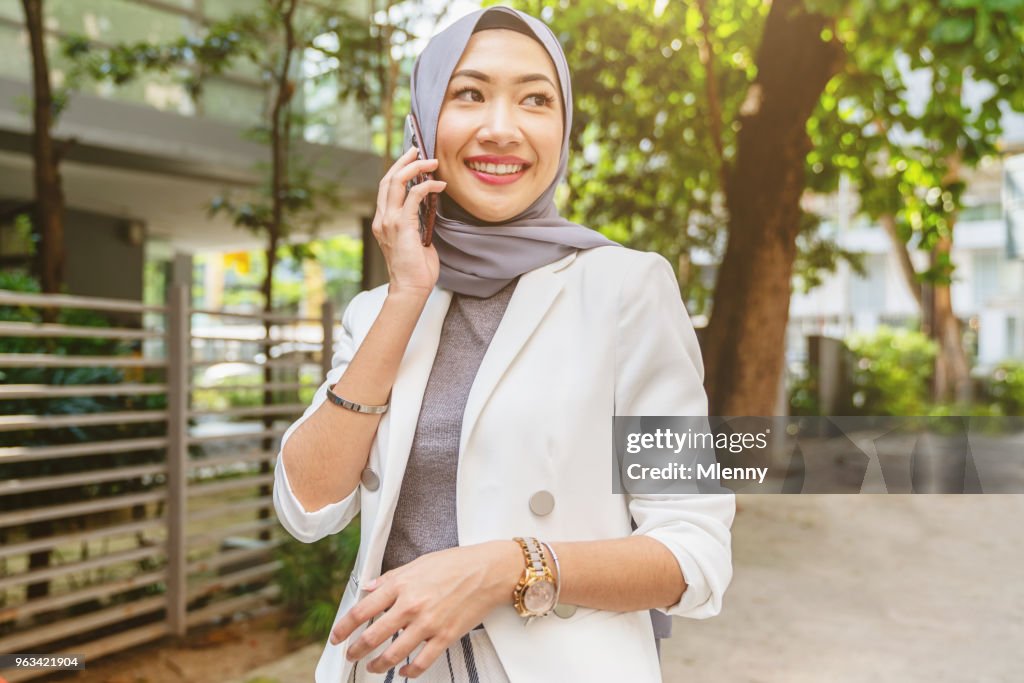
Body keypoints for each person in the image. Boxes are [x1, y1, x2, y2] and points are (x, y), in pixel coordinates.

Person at [272, 6, 734, 682]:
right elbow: (307, 505)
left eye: (535, 99)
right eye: (469, 93)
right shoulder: (379, 309)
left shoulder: (627, 288)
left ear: (563, 127)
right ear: (426, 122)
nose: (500, 127)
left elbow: (693, 553)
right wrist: (405, 296)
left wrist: (505, 565)